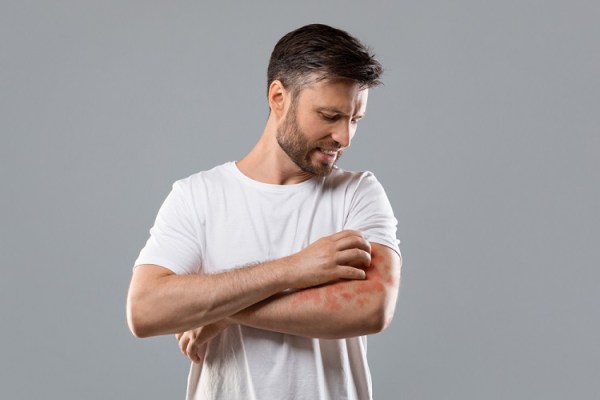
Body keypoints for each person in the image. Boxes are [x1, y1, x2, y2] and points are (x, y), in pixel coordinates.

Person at [127, 23, 402, 400]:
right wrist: (294, 268)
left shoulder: (357, 193)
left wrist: (222, 312)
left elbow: (371, 308)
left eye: (354, 120)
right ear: (278, 97)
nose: (344, 137)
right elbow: (145, 310)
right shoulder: (198, 196)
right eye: (329, 116)